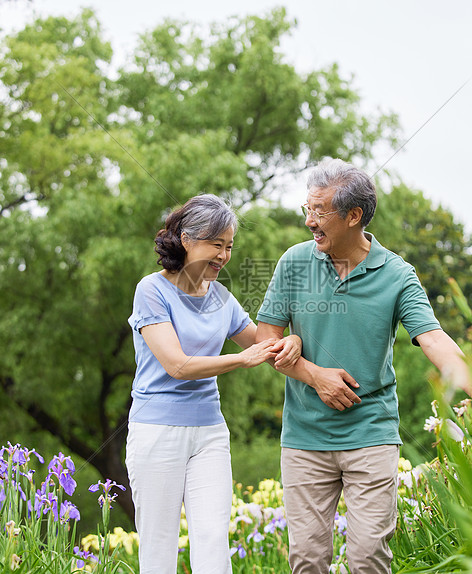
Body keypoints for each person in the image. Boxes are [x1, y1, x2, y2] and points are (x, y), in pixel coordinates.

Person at [255, 159, 472, 574]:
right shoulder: (294, 263)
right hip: (304, 436)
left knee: (368, 557)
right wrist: (313, 374)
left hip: (371, 433)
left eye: (320, 213)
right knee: (306, 560)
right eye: (308, 209)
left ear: (354, 216)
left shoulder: (397, 274)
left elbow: (432, 338)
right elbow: (265, 339)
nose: (309, 221)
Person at [127, 194, 302, 574]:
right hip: (157, 431)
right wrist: (241, 359)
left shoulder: (222, 297)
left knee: (212, 539)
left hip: (209, 432)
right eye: (216, 244)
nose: (223, 255)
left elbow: (263, 345)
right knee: (159, 546)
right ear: (187, 240)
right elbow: (176, 365)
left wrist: (292, 341)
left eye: (229, 247)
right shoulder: (151, 290)